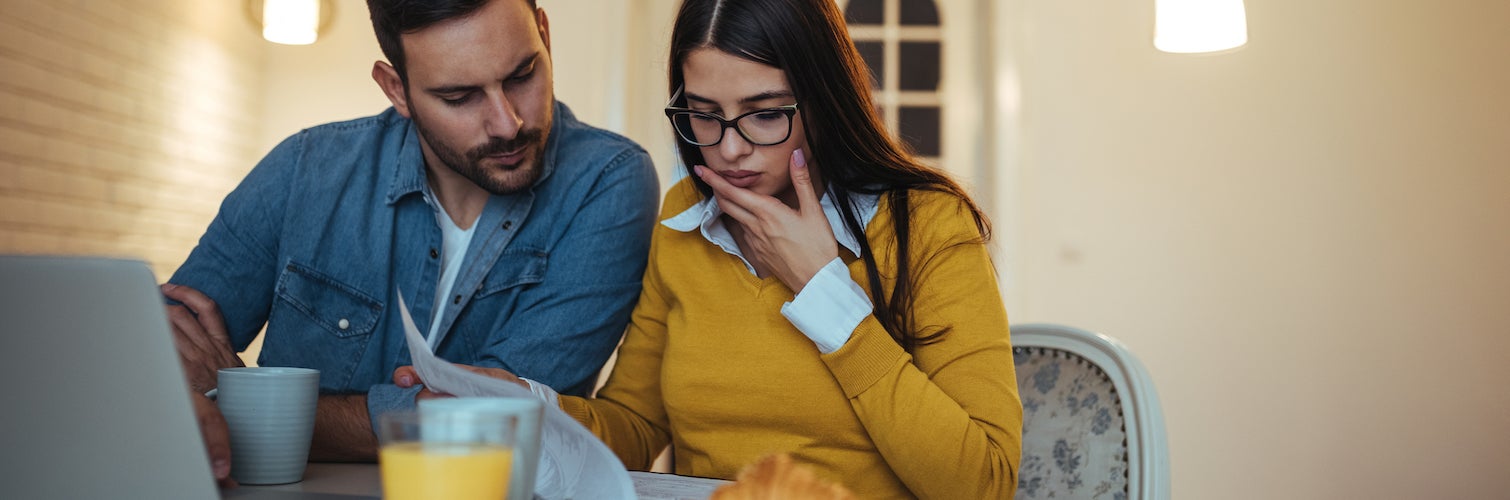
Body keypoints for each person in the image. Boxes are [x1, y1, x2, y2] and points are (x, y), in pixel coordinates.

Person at [400, 0, 1022, 497]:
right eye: (703, 114)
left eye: (763, 114)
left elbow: (982, 482)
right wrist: (519, 403)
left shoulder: (928, 226)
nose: (726, 150)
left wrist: (824, 292)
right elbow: (636, 431)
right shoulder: (684, 216)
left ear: (825, 103)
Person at [165, 0, 660, 485]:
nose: (508, 123)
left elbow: (491, 426)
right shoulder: (303, 170)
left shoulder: (608, 182)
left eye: (522, 74)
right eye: (459, 96)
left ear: (545, 36)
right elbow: (153, 371)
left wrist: (245, 402)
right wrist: (403, 413)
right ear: (396, 89)